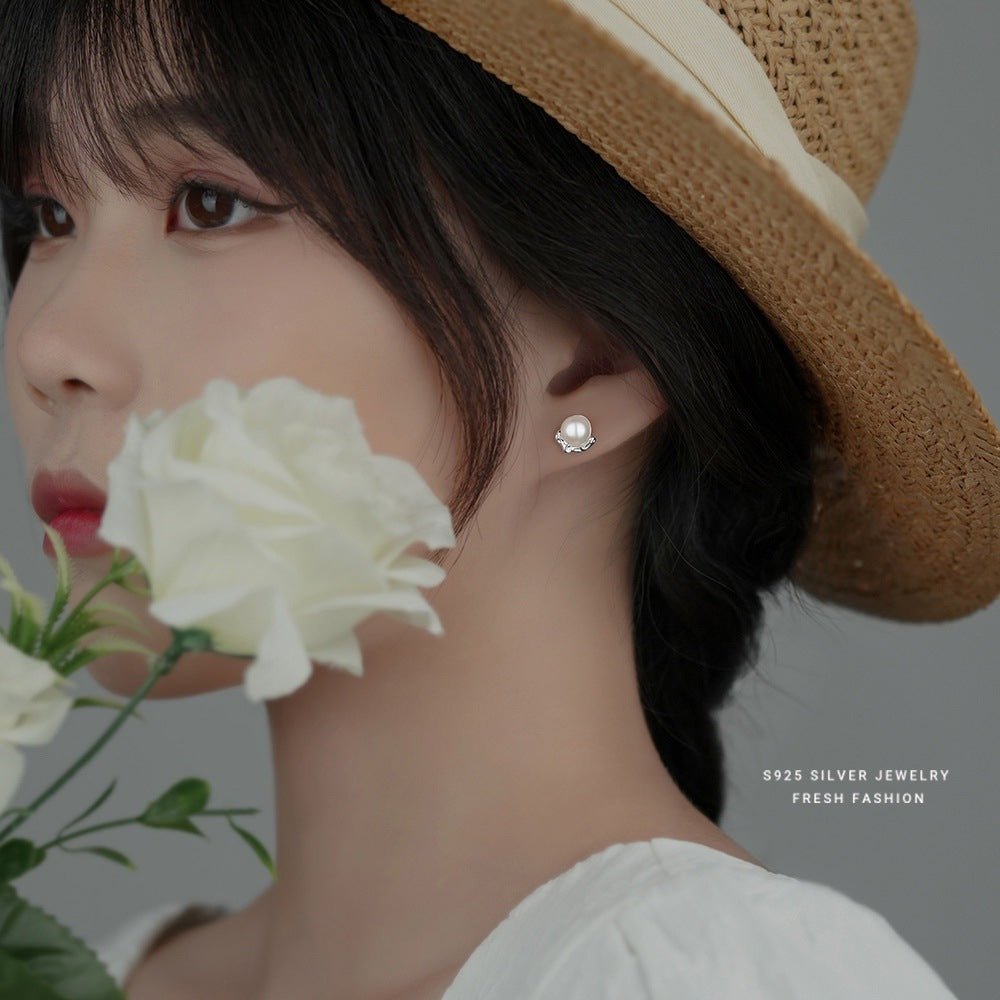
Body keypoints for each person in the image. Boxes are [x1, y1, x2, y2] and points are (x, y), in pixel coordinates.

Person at [1, 0, 992, 997]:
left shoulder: (722, 980)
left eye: (209, 201)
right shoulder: (113, 975)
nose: (48, 344)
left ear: (595, 359)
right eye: (46, 215)